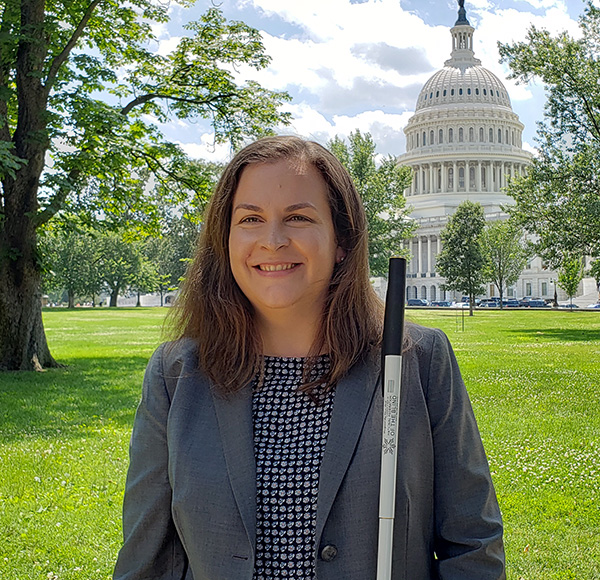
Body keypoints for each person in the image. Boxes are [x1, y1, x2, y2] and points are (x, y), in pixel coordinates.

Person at [113, 136, 505, 579]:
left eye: (298, 217)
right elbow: (149, 560)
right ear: (225, 239)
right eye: (250, 219)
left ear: (341, 240)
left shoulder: (419, 361)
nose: (272, 240)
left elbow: (473, 546)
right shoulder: (175, 375)